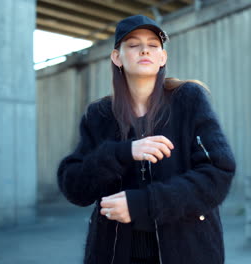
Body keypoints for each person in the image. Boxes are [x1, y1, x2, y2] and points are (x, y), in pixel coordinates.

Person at [57, 15, 236, 264]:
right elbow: (74, 187)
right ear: (116, 57)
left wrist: (143, 204)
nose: (144, 50)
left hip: (188, 251)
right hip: (115, 255)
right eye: (133, 44)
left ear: (162, 57)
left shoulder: (188, 100)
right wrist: (122, 152)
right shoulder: (99, 115)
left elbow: (218, 171)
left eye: (153, 45)